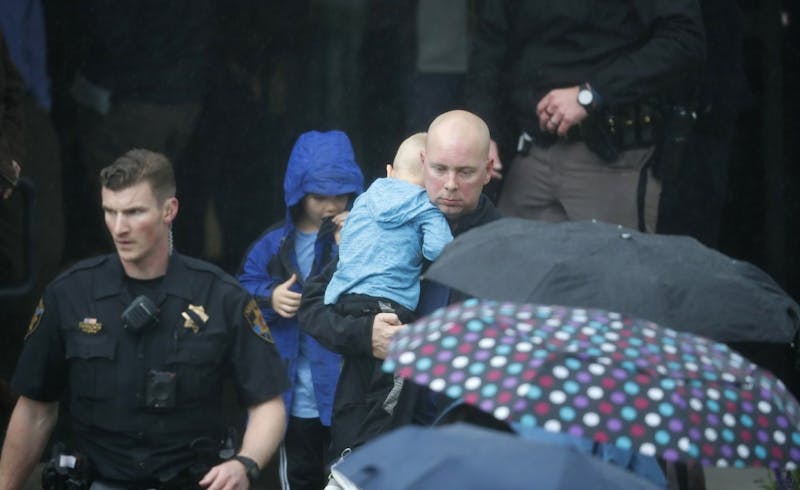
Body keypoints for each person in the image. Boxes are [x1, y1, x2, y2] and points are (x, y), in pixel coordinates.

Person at [0, 149, 288, 489]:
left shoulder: (221, 296)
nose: (119, 228)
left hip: (189, 480)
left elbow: (268, 403)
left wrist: (244, 464)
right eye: (110, 212)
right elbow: (35, 411)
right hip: (95, 481)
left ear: (170, 211)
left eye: (135, 212)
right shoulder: (70, 294)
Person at [298, 110, 501, 463]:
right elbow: (312, 308)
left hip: (460, 443)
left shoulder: (504, 245)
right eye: (439, 169)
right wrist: (364, 333)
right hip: (369, 435)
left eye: (465, 172)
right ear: (423, 163)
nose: (450, 184)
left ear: (487, 170)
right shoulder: (382, 221)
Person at [465, 0, 706, 232]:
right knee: (513, 266)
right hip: (529, 154)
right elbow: (490, 43)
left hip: (610, 159)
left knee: (609, 269)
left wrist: (592, 94)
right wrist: (483, 129)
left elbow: (683, 39)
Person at [238, 130, 364, 490]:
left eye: (340, 194)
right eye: (318, 195)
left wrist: (349, 244)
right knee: (298, 476)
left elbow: (373, 288)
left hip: (343, 389)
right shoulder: (274, 242)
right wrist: (271, 297)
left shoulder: (362, 237)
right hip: (293, 393)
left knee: (347, 477)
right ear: (298, 194)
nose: (330, 205)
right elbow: (239, 291)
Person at [324, 132, 453, 319]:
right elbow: (439, 251)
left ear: (389, 171)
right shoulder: (426, 207)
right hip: (392, 303)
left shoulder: (363, 199)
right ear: (433, 181)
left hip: (343, 299)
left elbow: (347, 240)